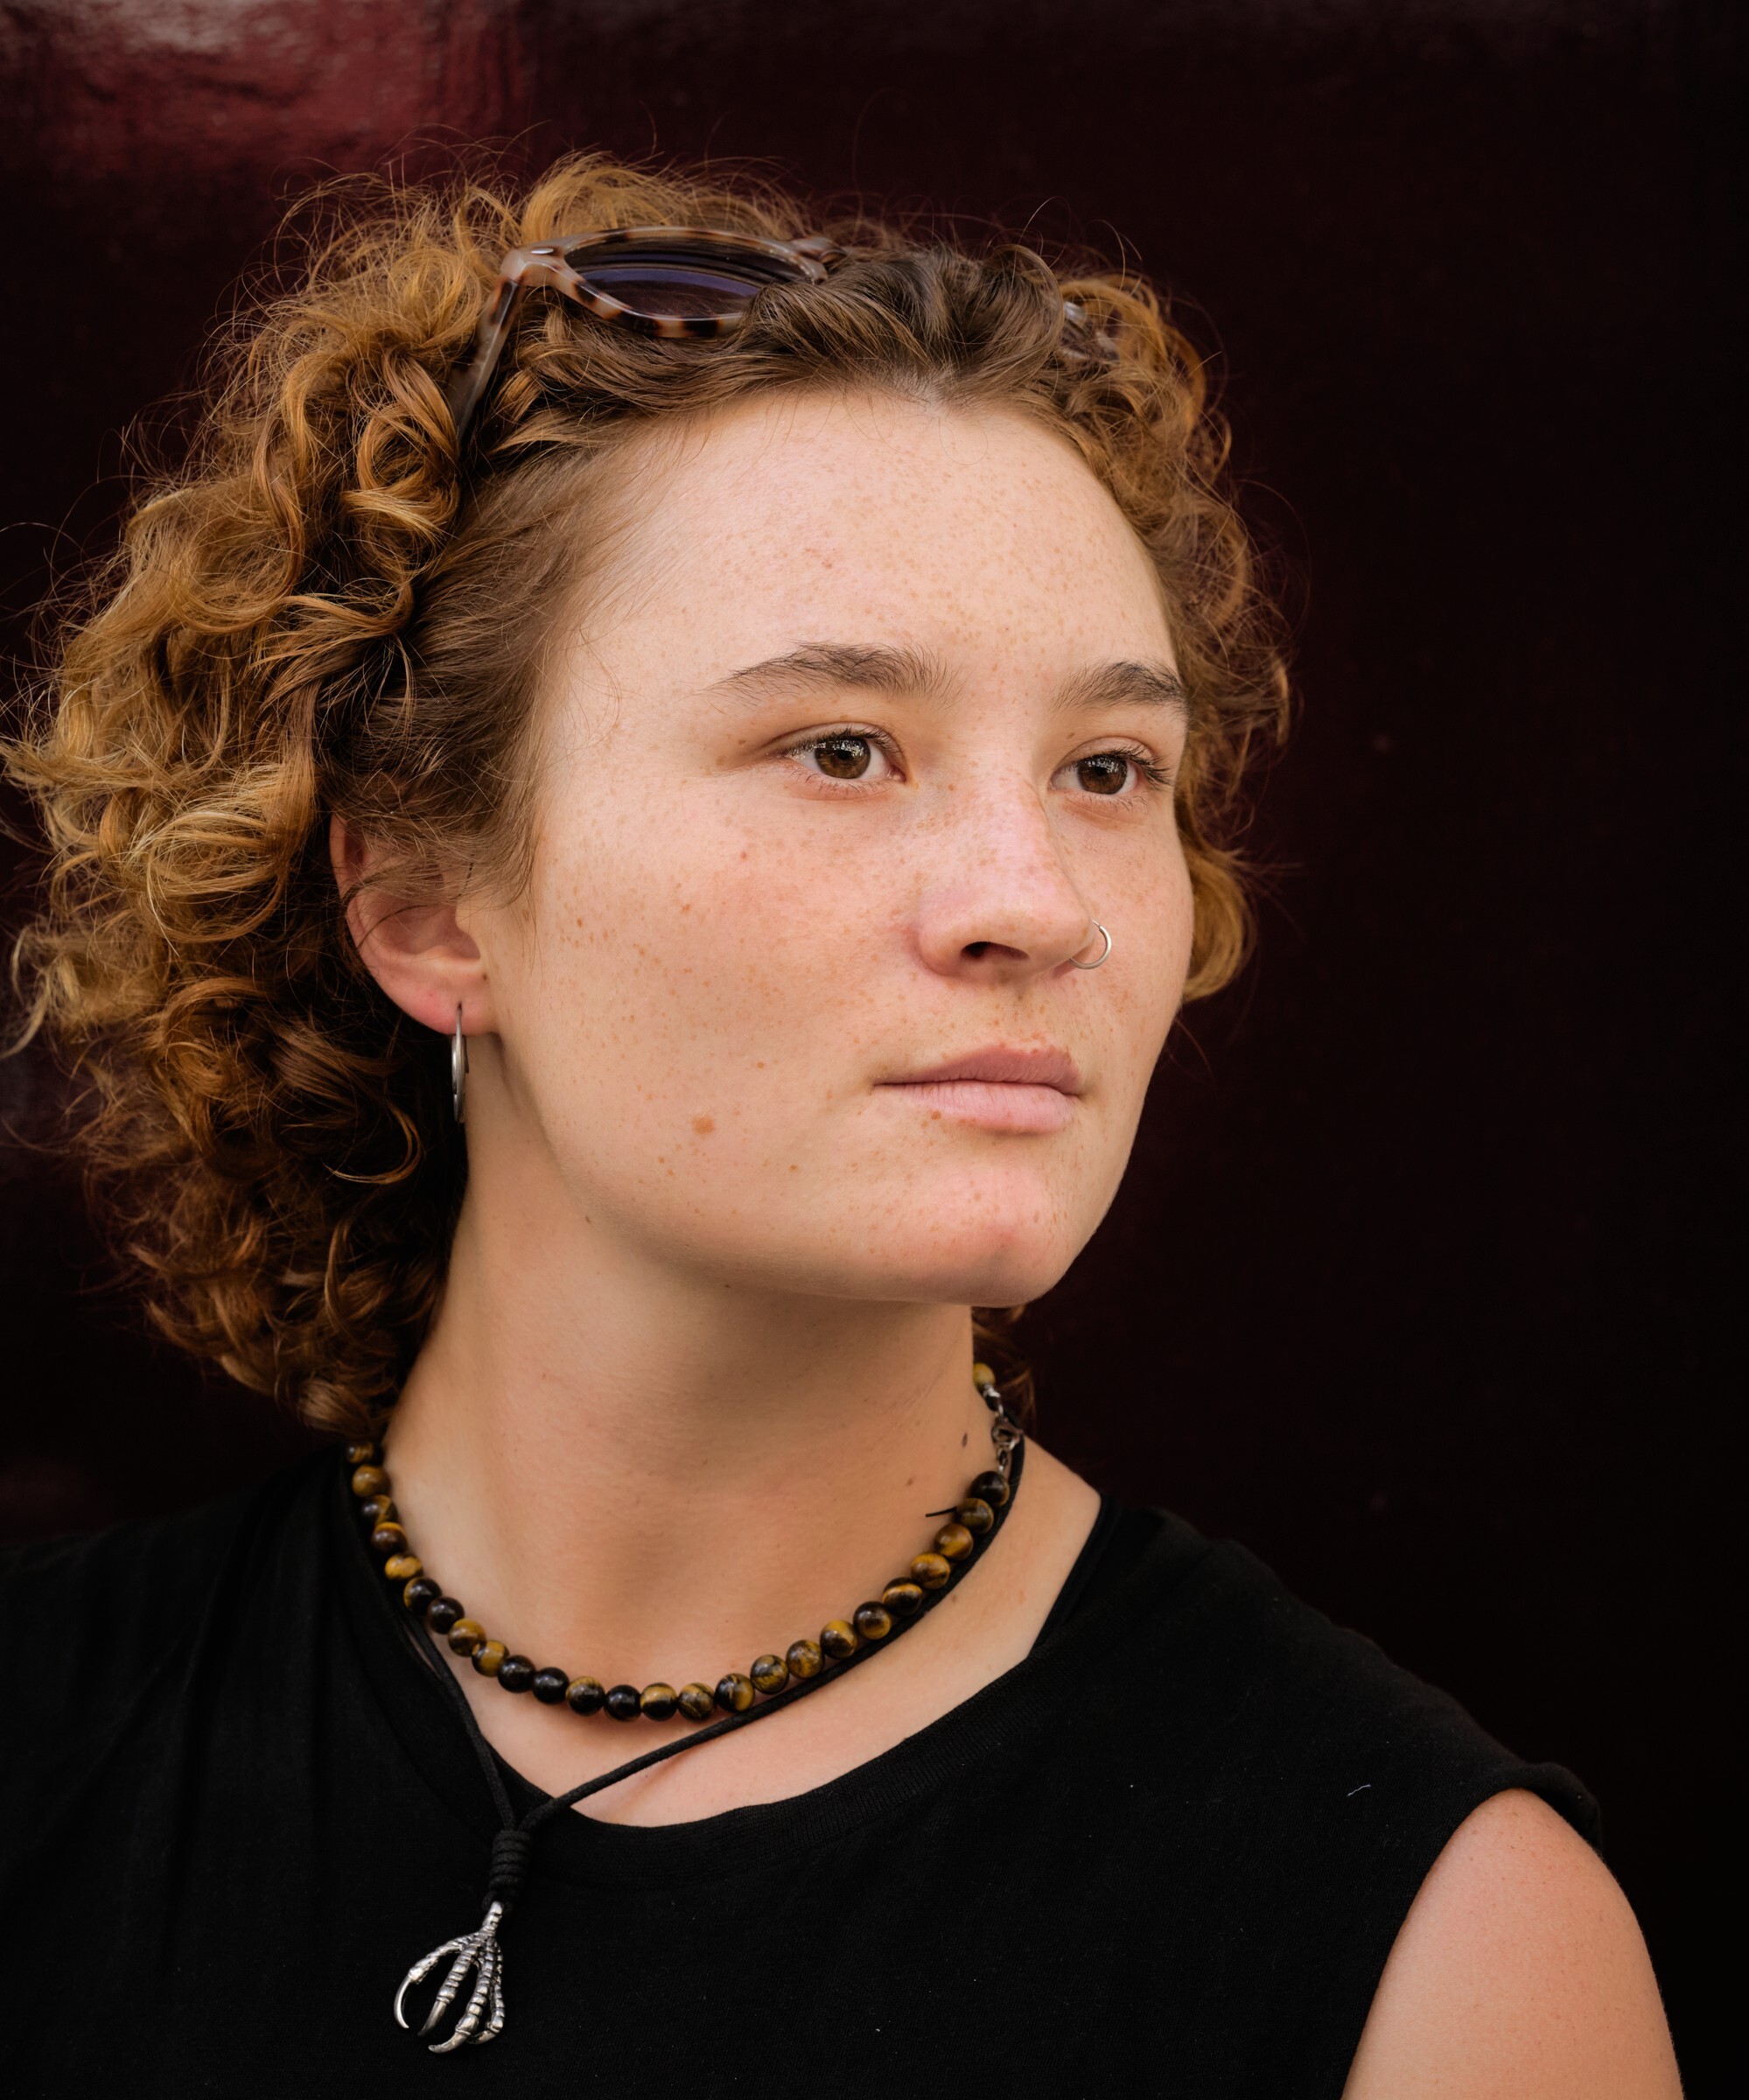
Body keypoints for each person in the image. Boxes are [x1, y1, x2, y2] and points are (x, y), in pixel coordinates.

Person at [0, 152, 1679, 2095]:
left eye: (1108, 769)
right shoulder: (40, 1741)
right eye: (841, 749)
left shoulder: (1441, 1951)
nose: (1035, 902)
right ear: (429, 905)